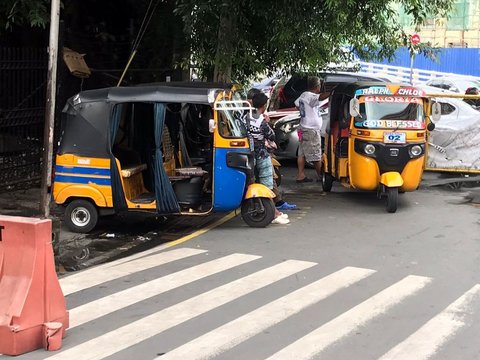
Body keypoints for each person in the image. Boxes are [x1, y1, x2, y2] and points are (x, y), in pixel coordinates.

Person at [249, 92, 290, 224]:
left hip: (249, 155)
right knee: (267, 185)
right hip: (261, 154)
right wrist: (268, 122)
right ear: (264, 105)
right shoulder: (262, 121)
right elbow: (271, 135)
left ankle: (273, 212)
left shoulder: (245, 117)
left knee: (252, 182)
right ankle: (273, 212)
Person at [294, 76, 328, 183]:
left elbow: (296, 104)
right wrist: (332, 92)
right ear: (317, 87)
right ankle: (321, 176)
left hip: (303, 127)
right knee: (316, 154)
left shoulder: (303, 95)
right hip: (311, 130)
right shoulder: (311, 96)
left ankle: (300, 175)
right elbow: (320, 97)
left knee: (302, 153)